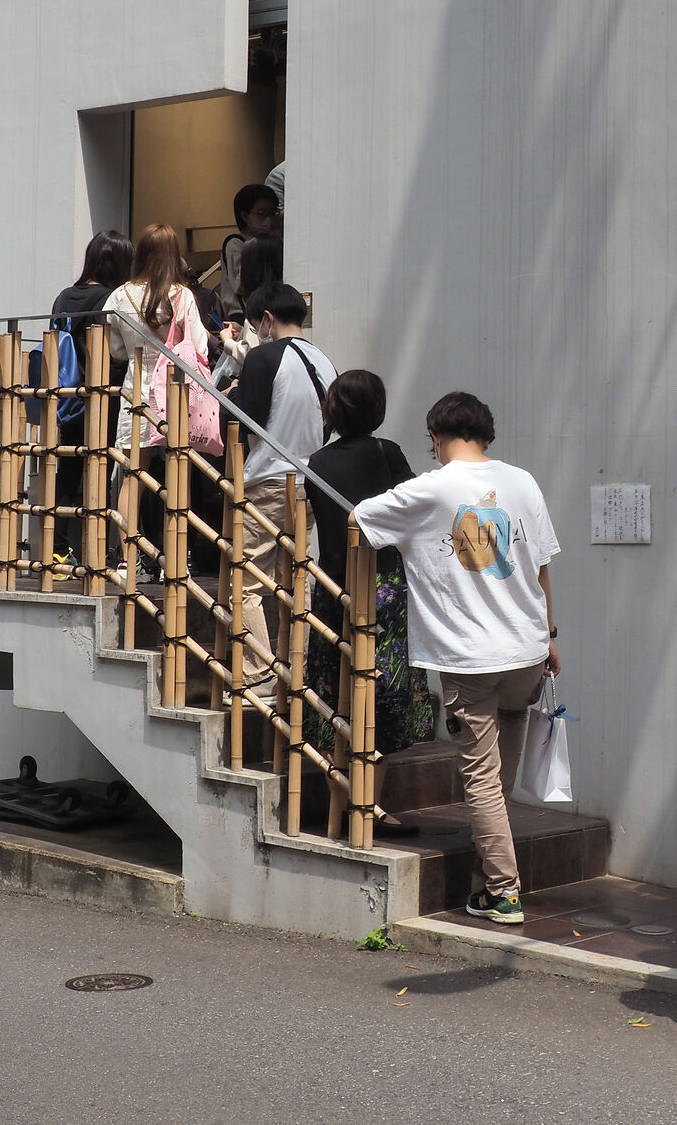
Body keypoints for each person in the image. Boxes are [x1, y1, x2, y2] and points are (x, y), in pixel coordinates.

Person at [352, 391, 560, 925]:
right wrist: (551, 635)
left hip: (470, 660)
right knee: (498, 776)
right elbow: (541, 566)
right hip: (528, 651)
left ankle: (504, 893)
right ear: (487, 435)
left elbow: (362, 517)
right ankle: (490, 876)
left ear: (436, 436)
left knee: (482, 778)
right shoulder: (523, 481)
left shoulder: (432, 487)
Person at [305, 372, 434, 826]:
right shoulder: (387, 453)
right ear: (376, 409)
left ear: (333, 410)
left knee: (332, 689)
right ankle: (370, 808)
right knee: (382, 696)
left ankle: (339, 804)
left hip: (333, 585)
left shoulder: (316, 462)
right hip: (385, 587)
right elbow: (413, 509)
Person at [227, 283, 337, 690]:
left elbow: (246, 419)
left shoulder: (264, 356)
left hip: (268, 479)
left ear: (267, 318)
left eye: (256, 323)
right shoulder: (324, 361)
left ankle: (258, 674)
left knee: (247, 582)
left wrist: (230, 397)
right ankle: (297, 671)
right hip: (308, 482)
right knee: (296, 580)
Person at [103, 224, 210, 579]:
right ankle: (175, 561)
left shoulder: (119, 296)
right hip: (175, 393)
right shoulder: (182, 296)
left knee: (132, 476)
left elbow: (115, 350)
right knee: (178, 475)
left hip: (137, 390)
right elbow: (200, 347)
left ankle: (128, 560)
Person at [48, 230, 133, 562]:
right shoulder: (110, 299)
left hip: (67, 394)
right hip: (101, 394)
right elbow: (114, 352)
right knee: (103, 467)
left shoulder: (64, 297)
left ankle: (57, 549)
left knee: (68, 470)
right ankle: (97, 551)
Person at [215, 233, 284, 386]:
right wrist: (243, 332)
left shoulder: (258, 306)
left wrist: (228, 342)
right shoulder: (282, 298)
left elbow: (251, 356)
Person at [218, 184, 280, 319]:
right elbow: (240, 285)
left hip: (266, 310)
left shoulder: (274, 240)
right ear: (245, 216)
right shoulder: (235, 243)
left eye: (272, 213)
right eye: (261, 213)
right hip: (242, 314)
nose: (269, 220)